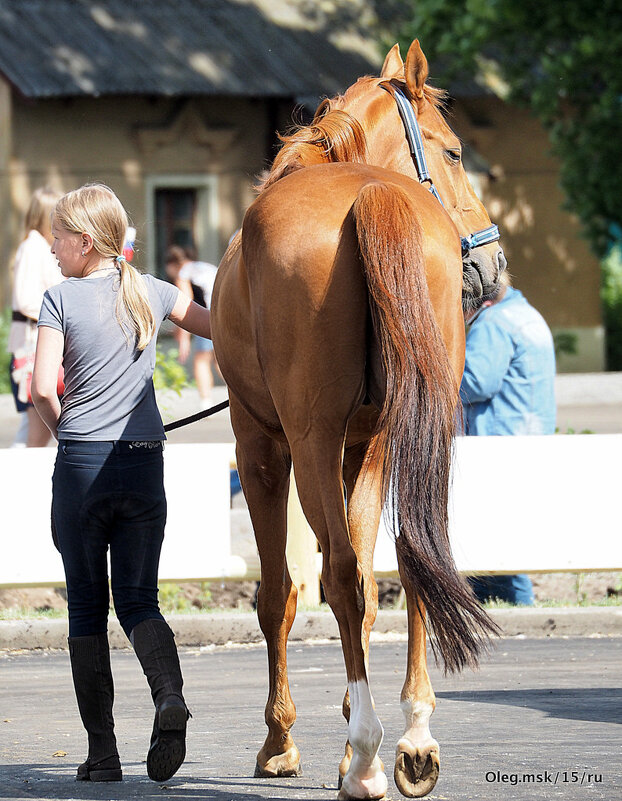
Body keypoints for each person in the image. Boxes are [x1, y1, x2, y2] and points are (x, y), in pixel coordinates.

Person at [31, 184, 212, 783]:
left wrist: (66, 434)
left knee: (86, 606)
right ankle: (168, 695)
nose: (53, 247)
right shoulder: (153, 291)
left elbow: (41, 388)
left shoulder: (59, 298)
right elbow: (223, 331)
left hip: (82, 466)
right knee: (139, 600)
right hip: (143, 466)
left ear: (84, 242)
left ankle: (104, 754)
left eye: (59, 237)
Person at [460, 273, 556, 605]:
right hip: (524, 445)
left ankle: (521, 615)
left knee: (497, 549)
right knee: (499, 548)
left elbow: (475, 382)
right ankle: (502, 612)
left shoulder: (493, 323)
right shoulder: (527, 315)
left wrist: (433, 378)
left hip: (496, 449)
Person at [7, 187, 63, 447]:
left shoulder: (38, 246)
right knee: (38, 431)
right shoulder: (33, 247)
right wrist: (61, 315)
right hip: (32, 345)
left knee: (33, 430)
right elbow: (26, 300)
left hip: (35, 343)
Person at [165, 245, 219, 410]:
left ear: (172, 264)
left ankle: (205, 401)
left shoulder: (183, 274)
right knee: (221, 360)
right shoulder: (204, 267)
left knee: (201, 360)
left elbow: (185, 308)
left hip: (208, 316)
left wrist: (184, 340)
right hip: (224, 313)